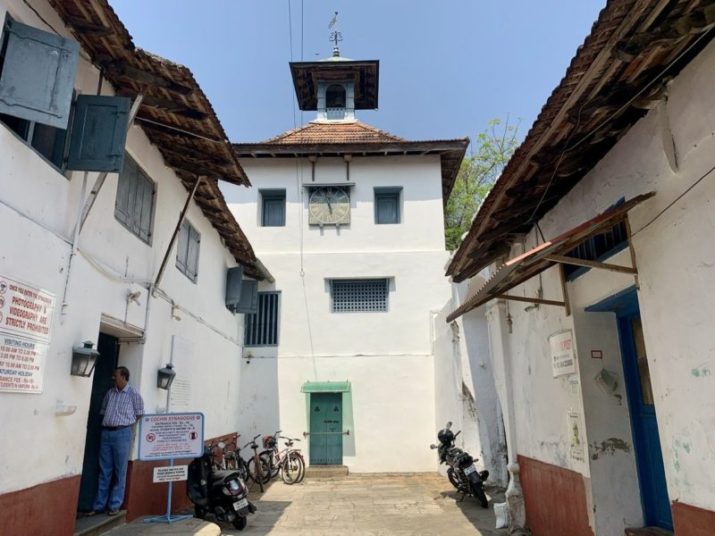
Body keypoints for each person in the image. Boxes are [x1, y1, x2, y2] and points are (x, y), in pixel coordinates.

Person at [90, 366, 144, 516]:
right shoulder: (110, 392)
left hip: (122, 433)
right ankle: (99, 505)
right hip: (106, 433)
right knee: (104, 470)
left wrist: (126, 425)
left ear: (124, 377)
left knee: (120, 471)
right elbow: (103, 410)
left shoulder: (133, 394)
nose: (114, 378)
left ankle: (114, 505)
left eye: (116, 376)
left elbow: (140, 413)